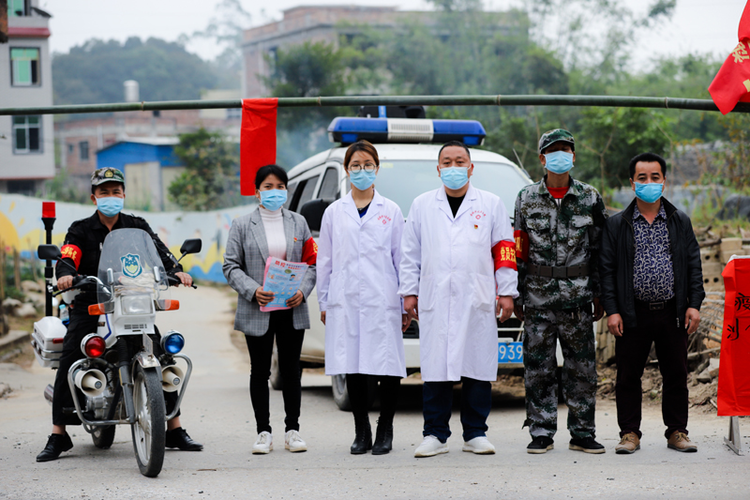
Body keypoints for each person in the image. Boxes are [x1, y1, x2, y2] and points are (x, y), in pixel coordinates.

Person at [36, 167, 202, 463]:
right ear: (94, 196)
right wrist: (65, 275)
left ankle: (173, 428)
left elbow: (160, 254)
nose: (110, 197)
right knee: (72, 352)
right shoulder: (80, 229)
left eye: (116, 192)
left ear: (123, 195)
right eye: (104, 192)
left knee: (160, 351)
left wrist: (176, 271)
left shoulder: (137, 226)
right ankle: (58, 433)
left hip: (132, 301)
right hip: (91, 302)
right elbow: (68, 256)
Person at [399, 140, 518, 458]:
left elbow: (504, 251)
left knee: (477, 365)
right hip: (436, 298)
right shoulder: (422, 205)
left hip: (476, 298)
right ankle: (435, 434)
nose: (454, 167)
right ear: (438, 169)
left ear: (471, 167)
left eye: (460, 161)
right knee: (436, 367)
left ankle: (475, 433)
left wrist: (506, 291)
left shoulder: (490, 204)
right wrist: (409, 292)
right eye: (447, 162)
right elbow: (410, 254)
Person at [600, 152, 704, 454]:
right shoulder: (618, 224)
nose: (649, 183)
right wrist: (614, 310)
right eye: (642, 178)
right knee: (629, 375)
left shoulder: (679, 220)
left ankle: (677, 431)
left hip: (672, 311)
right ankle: (630, 433)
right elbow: (607, 271)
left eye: (654, 177)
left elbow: (694, 265)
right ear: (632, 183)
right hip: (633, 314)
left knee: (676, 374)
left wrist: (693, 304)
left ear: (664, 181)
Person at [513, 129, 608, 455]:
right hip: (538, 297)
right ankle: (541, 431)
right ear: (542, 158)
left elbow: (599, 251)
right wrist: (517, 294)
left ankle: (582, 431)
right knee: (538, 368)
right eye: (553, 151)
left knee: (581, 368)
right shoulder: (526, 198)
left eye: (565, 150)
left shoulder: (590, 197)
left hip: (578, 298)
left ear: (573, 156)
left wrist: (599, 294)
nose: (559, 156)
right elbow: (519, 248)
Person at [317, 140, 407, 455]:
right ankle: (361, 430)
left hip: (384, 300)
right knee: (352, 364)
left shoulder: (391, 210)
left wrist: (405, 299)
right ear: (346, 170)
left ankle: (385, 428)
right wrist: (325, 301)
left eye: (368, 165)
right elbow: (325, 261)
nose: (362, 170)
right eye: (356, 165)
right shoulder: (333, 213)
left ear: (377, 169)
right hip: (346, 300)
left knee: (388, 366)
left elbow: (402, 259)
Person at [223, 164, 317, 455]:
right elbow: (230, 265)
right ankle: (263, 432)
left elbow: (311, 263)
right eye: (268, 186)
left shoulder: (298, 223)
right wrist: (253, 290)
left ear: (286, 190)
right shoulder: (241, 224)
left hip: (291, 306)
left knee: (291, 370)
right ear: (257, 191)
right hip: (258, 306)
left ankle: (293, 430)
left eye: (279, 186)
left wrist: (302, 290)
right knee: (260, 371)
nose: (274, 192)